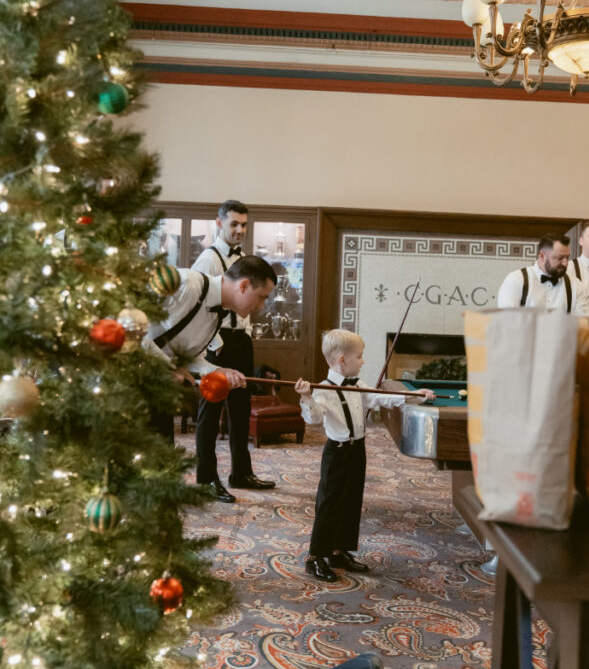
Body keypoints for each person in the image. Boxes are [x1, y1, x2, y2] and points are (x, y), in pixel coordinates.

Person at [295, 329, 435, 582]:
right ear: (341, 360)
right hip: (336, 453)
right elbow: (313, 418)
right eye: (359, 357)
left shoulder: (359, 386)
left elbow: (385, 398)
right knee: (329, 504)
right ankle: (315, 557)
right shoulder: (322, 390)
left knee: (351, 501)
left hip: (357, 449)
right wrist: (306, 396)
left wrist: (415, 395)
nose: (363, 361)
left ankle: (339, 551)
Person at [144, 255, 276, 502]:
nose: (261, 307)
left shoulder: (216, 317)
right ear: (244, 285)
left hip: (157, 392)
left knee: (161, 472)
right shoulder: (188, 284)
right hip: (126, 386)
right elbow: (132, 327)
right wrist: (167, 367)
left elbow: (189, 355)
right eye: (261, 298)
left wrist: (216, 370)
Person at [192, 199, 276, 498]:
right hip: (216, 342)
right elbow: (200, 308)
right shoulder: (209, 260)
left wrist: (247, 333)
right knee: (210, 414)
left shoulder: (247, 260)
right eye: (234, 224)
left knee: (241, 410)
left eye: (244, 225)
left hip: (241, 340)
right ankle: (206, 479)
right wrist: (213, 347)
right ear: (219, 224)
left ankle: (241, 473)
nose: (239, 230)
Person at [497, 234, 584, 314]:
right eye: (560, 258)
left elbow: (582, 325)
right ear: (542, 256)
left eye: (567, 258)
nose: (565, 263)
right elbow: (508, 323)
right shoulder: (515, 280)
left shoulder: (575, 285)